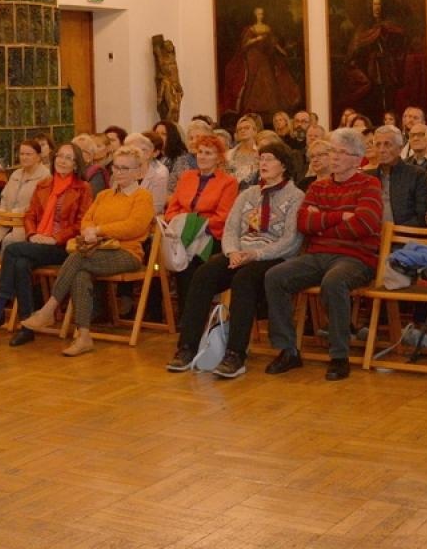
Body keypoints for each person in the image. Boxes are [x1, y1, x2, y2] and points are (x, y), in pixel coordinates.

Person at [167, 142, 304, 379]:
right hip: (240, 254)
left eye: (269, 159)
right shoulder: (249, 194)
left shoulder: (296, 196)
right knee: (204, 274)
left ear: (284, 165)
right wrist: (232, 252)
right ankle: (187, 347)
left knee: (244, 279)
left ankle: (235, 353)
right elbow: (230, 229)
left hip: (272, 257)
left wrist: (255, 255)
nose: (263, 163)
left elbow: (291, 241)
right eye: (261, 159)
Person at [263, 127, 383, 381]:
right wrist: (340, 217)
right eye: (332, 151)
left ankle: (339, 356)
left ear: (357, 158)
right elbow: (304, 223)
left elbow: (365, 224)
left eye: (341, 152)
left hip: (356, 257)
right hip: (318, 255)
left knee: (334, 281)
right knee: (275, 276)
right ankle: (288, 350)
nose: (334, 157)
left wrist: (323, 223)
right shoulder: (318, 187)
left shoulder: (369, 184)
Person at [19, 148, 156, 357]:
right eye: (116, 167)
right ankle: (83, 336)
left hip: (127, 253)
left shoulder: (142, 196)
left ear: (138, 172)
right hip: (96, 251)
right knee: (80, 274)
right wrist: (90, 230)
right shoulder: (103, 195)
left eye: (125, 168)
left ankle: (49, 309)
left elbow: (134, 226)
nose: (119, 172)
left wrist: (99, 230)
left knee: (77, 259)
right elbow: (87, 220)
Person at [0, 143, 91, 342]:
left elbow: (82, 223)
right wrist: (32, 234)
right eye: (60, 156)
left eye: (68, 158)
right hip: (38, 241)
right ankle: (27, 326)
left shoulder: (83, 188)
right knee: (21, 264)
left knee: (12, 249)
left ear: (76, 164)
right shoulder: (44, 184)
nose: (62, 161)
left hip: (62, 246)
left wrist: (55, 238)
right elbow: (30, 215)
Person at [163, 133, 239, 297]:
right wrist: (183, 225)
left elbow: (223, 217)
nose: (202, 157)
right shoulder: (186, 176)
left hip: (210, 235)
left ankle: (188, 318)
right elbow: (171, 209)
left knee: (189, 263)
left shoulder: (228, 182)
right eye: (200, 152)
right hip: (181, 232)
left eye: (208, 153)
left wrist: (194, 225)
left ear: (218, 158)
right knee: (162, 255)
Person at [220, 5, 303, 117]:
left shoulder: (267, 28)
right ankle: (251, 107)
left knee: (267, 77)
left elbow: (273, 42)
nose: (261, 16)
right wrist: (256, 39)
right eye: (259, 13)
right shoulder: (250, 29)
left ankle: (267, 108)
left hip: (263, 56)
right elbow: (244, 44)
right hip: (253, 56)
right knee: (252, 79)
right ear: (255, 15)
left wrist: (282, 51)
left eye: (262, 13)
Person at [367, 124, 427, 228]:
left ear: (400, 148)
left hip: (405, 238)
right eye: (378, 145)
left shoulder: (417, 175)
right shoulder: (368, 177)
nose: (382, 150)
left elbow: (421, 216)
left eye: (387, 144)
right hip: (372, 238)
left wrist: (393, 233)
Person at [0, 138, 50, 245]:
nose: (24, 157)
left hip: (28, 224)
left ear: (38, 157)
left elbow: (39, 205)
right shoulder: (16, 174)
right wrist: (2, 209)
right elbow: (4, 196)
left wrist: (16, 212)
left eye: (28, 154)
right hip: (7, 221)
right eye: (22, 154)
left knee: (9, 241)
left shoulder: (45, 176)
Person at [126, 132, 169, 212]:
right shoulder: (123, 172)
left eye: (135, 151)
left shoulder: (159, 175)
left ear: (149, 153)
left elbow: (156, 208)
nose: (131, 154)